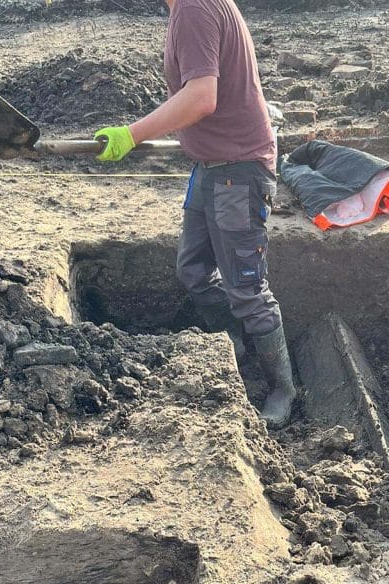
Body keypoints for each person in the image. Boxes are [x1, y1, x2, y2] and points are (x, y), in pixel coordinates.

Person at [92, 0, 296, 428]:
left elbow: (202, 97)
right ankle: (235, 351)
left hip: (237, 174)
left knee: (247, 289)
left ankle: (283, 388)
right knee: (192, 270)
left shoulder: (193, 8)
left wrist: (132, 134)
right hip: (210, 168)